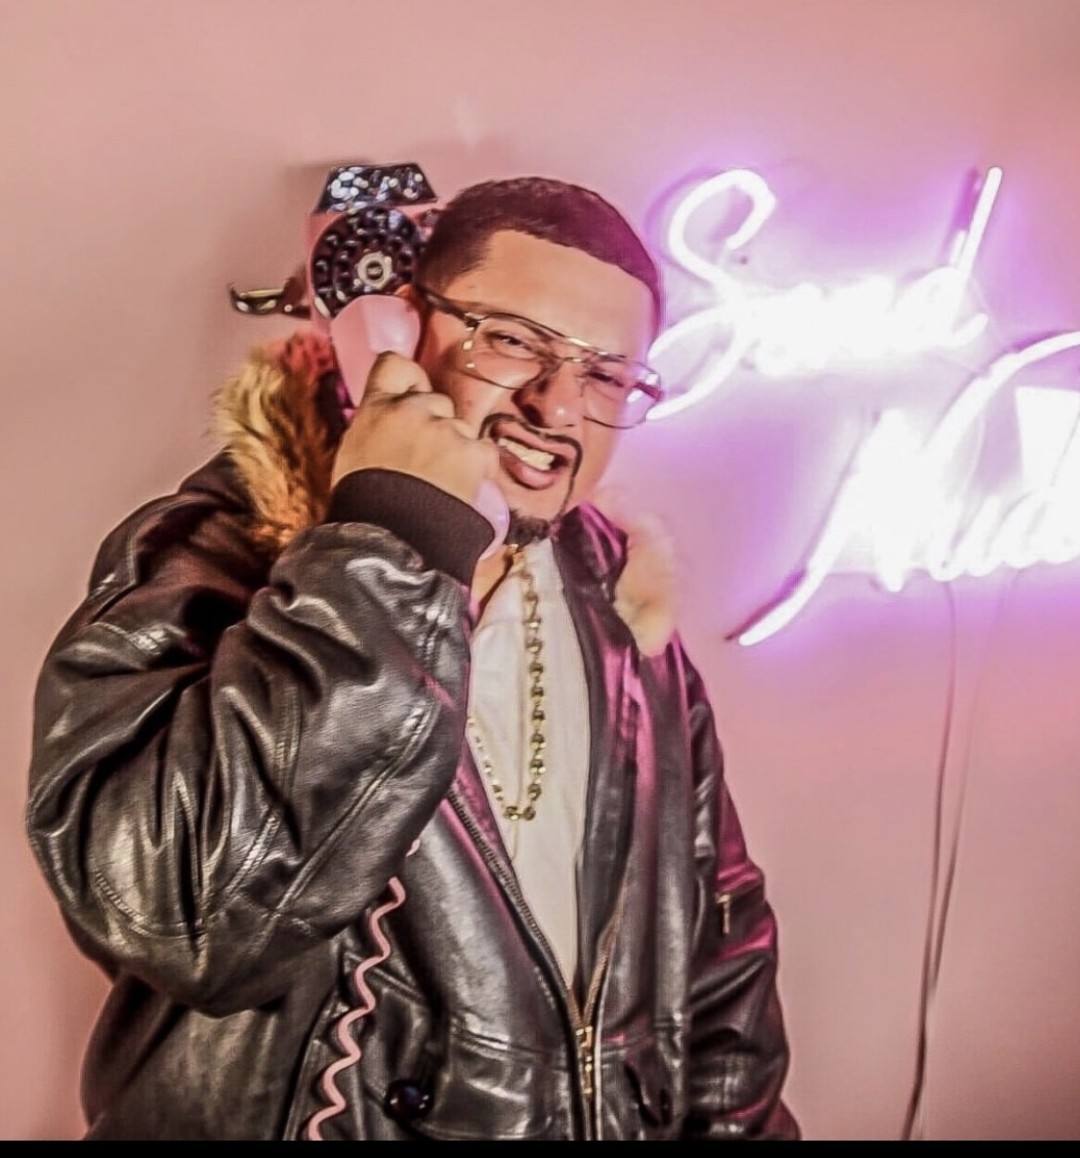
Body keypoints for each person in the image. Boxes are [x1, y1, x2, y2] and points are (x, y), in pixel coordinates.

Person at [25, 172, 800, 1140]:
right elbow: (186, 921)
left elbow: (721, 969)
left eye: (605, 376)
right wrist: (394, 542)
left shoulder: (629, 621)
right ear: (397, 332)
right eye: (513, 340)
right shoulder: (210, 556)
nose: (558, 406)